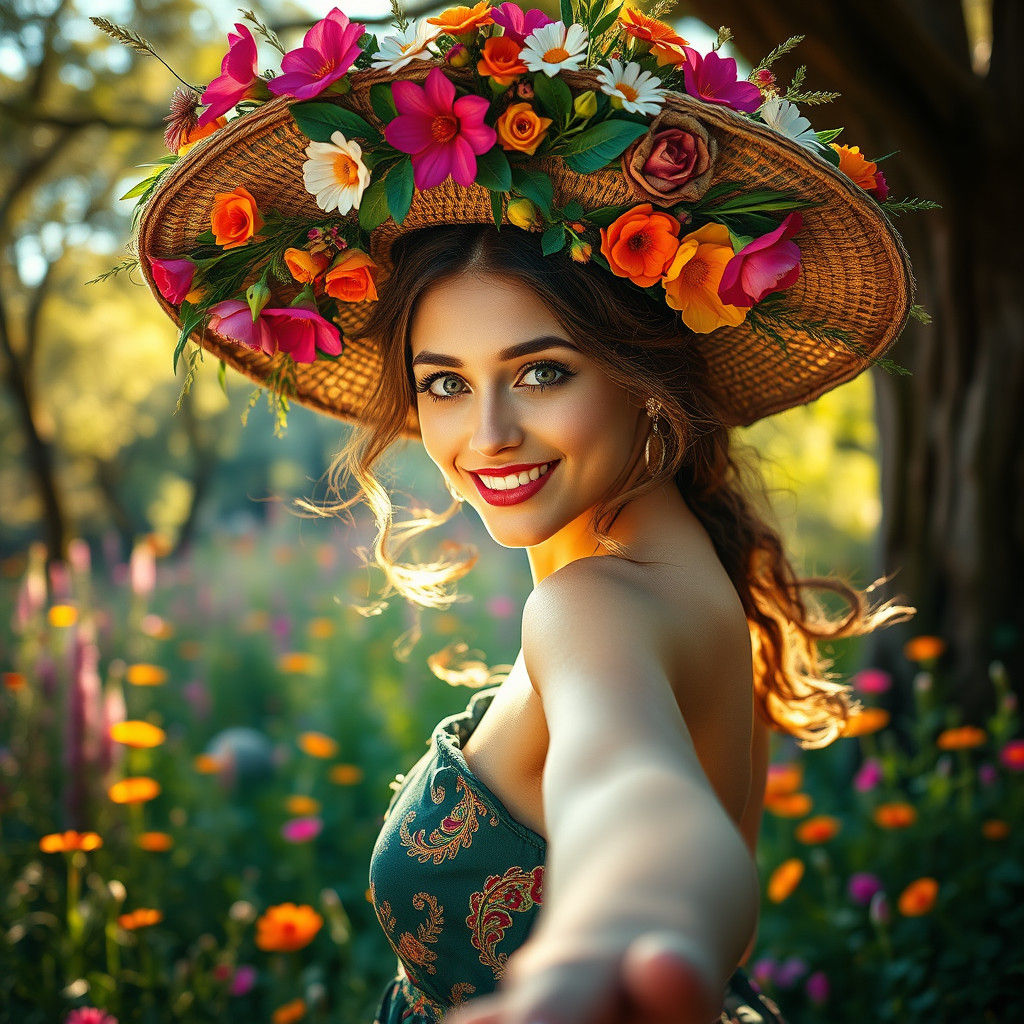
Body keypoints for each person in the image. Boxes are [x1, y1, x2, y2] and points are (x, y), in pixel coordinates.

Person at [122, 4, 922, 1021]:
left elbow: (632, 789)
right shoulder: (672, 561)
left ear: (645, 374)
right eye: (445, 383)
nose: (487, 432)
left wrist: (610, 935)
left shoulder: (592, 603)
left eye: (539, 371)